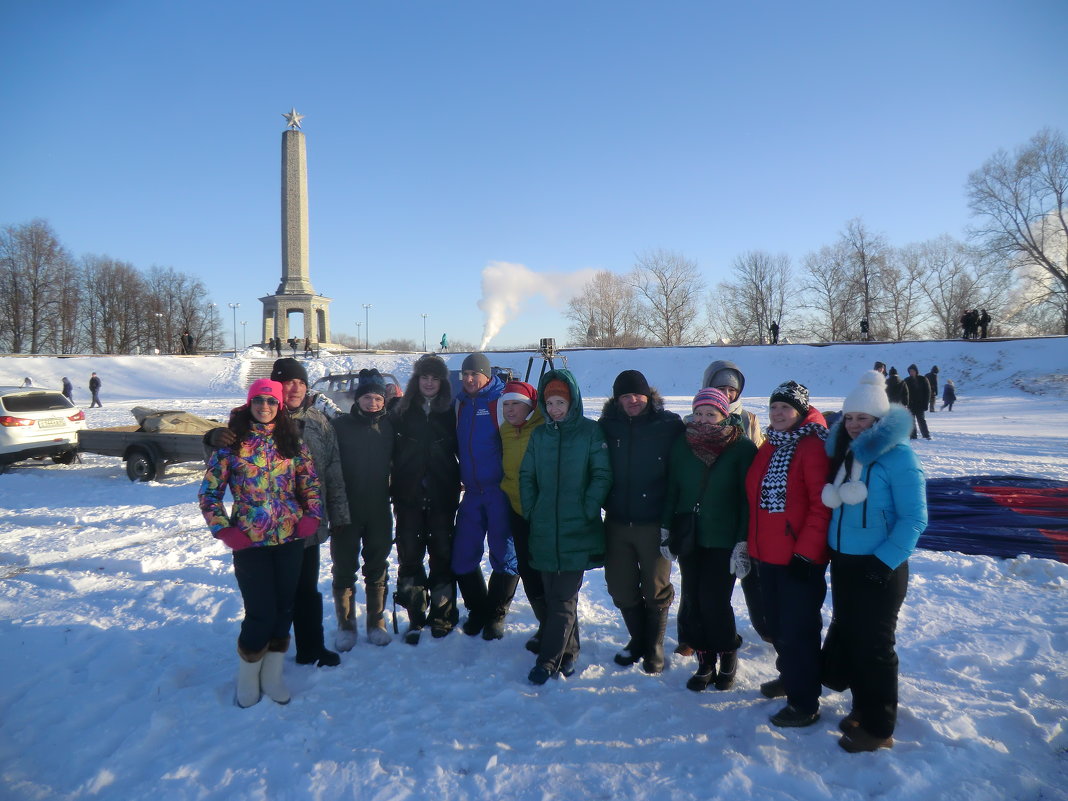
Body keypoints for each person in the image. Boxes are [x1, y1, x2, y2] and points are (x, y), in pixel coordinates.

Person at [204, 358, 351, 667]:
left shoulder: (319, 421)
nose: (294, 387)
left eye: (300, 381)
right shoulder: (247, 421)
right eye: (288, 382)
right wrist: (210, 438)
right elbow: (220, 466)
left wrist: (337, 516)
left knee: (306, 592)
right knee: (271, 600)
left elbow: (332, 470)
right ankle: (263, 655)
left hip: (308, 522)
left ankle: (311, 647)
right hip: (263, 530)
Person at [198, 378, 323, 707]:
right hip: (249, 542)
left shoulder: (291, 441)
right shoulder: (232, 442)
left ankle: (272, 673)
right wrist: (225, 530)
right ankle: (248, 675)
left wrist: (311, 515)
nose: (264, 406)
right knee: (260, 612)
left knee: (284, 609)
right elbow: (209, 494)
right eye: (259, 400)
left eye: (271, 401)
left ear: (279, 405)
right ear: (249, 403)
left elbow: (310, 483)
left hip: (289, 539)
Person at [822, 370, 927, 751]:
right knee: (852, 636)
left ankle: (879, 729)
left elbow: (915, 518)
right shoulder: (847, 452)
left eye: (862, 418)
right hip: (845, 561)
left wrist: (883, 563)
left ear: (879, 420)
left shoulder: (899, 457)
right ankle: (862, 709)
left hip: (881, 567)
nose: (853, 425)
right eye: (848, 418)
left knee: (876, 647)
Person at [745, 380, 831, 728]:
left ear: (799, 412)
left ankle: (804, 702)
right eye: (774, 407)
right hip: (767, 553)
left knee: (799, 631)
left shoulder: (811, 446)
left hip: (799, 559)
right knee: (778, 627)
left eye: (785, 408)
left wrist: (806, 554)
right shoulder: (771, 444)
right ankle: (790, 678)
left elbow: (820, 507)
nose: (778, 413)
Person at [519, 369, 611, 684]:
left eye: (561, 402)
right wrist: (532, 508)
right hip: (544, 526)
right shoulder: (539, 435)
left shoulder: (590, 432)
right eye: (551, 403)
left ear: (572, 402)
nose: (556, 408)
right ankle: (568, 652)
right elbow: (526, 475)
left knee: (563, 597)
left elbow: (601, 474)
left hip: (578, 527)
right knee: (551, 594)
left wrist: (587, 507)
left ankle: (547, 660)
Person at [664, 388, 757, 692]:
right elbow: (672, 488)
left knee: (715, 601)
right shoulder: (682, 444)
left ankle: (727, 655)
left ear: (725, 415)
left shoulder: (742, 448)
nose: (703, 420)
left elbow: (747, 500)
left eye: (711, 414)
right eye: (699, 413)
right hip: (690, 535)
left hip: (724, 538)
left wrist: (742, 541)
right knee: (692, 601)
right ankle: (705, 662)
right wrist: (666, 529)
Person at [598, 369, 683, 674]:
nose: (632, 400)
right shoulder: (606, 426)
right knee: (620, 587)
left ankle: (654, 646)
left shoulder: (669, 425)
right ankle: (638, 640)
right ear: (617, 399)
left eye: (638, 394)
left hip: (654, 522)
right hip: (618, 521)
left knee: (656, 587)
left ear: (648, 395)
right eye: (625, 395)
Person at [389, 354, 461, 644]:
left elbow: (465, 447)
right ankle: (416, 615)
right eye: (424, 377)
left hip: (443, 495)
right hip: (407, 496)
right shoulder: (401, 410)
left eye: (434, 378)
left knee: (442, 556)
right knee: (410, 556)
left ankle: (443, 615)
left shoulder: (451, 411)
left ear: (442, 382)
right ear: (416, 380)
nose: (429, 383)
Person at [452, 353, 519, 638]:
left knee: (504, 555)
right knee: (462, 555)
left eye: (474, 374)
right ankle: (478, 609)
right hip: (472, 493)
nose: (468, 379)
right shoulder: (460, 404)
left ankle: (496, 613)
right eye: (464, 374)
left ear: (486, 375)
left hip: (499, 492)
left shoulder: (502, 401)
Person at [700, 360, 767, 645]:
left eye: (732, 390)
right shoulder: (697, 416)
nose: (727, 394)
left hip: (746, 507)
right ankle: (695, 633)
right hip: (711, 513)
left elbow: (761, 453)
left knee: (751, 576)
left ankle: (765, 625)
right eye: (720, 388)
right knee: (703, 584)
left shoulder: (749, 419)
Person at [331, 369, 395, 649]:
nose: (372, 403)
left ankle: (376, 620)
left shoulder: (391, 426)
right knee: (344, 566)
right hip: (347, 508)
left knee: (377, 565)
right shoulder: (341, 426)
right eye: (367, 397)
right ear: (358, 399)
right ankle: (346, 624)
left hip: (379, 508)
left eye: (378, 398)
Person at [498, 379, 546, 650]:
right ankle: (544, 622)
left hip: (541, 511)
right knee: (527, 570)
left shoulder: (543, 428)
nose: (510, 409)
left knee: (546, 571)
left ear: (528, 406)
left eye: (515, 403)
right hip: (516, 510)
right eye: (506, 404)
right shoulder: (505, 430)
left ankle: (559, 626)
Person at [904, 364, 931, 440]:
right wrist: (905, 403)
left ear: (916, 371)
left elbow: (928, 392)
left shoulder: (923, 379)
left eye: (913, 371)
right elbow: (904, 393)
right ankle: (913, 436)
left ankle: (926, 435)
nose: (911, 373)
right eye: (910, 371)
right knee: (911, 421)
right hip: (911, 404)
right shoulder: (906, 380)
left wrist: (926, 404)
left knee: (921, 420)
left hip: (920, 404)